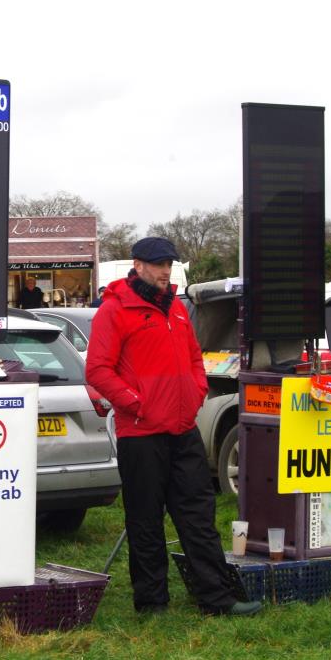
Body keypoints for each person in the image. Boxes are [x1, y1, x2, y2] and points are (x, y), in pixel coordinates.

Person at [85, 236, 261, 617]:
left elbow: (195, 358)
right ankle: (152, 602)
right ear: (138, 265)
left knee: (199, 516)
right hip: (141, 435)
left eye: (169, 264)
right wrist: (136, 403)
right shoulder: (114, 310)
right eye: (159, 264)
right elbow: (97, 369)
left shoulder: (177, 309)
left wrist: (196, 392)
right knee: (145, 520)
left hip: (182, 429)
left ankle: (216, 598)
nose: (166, 271)